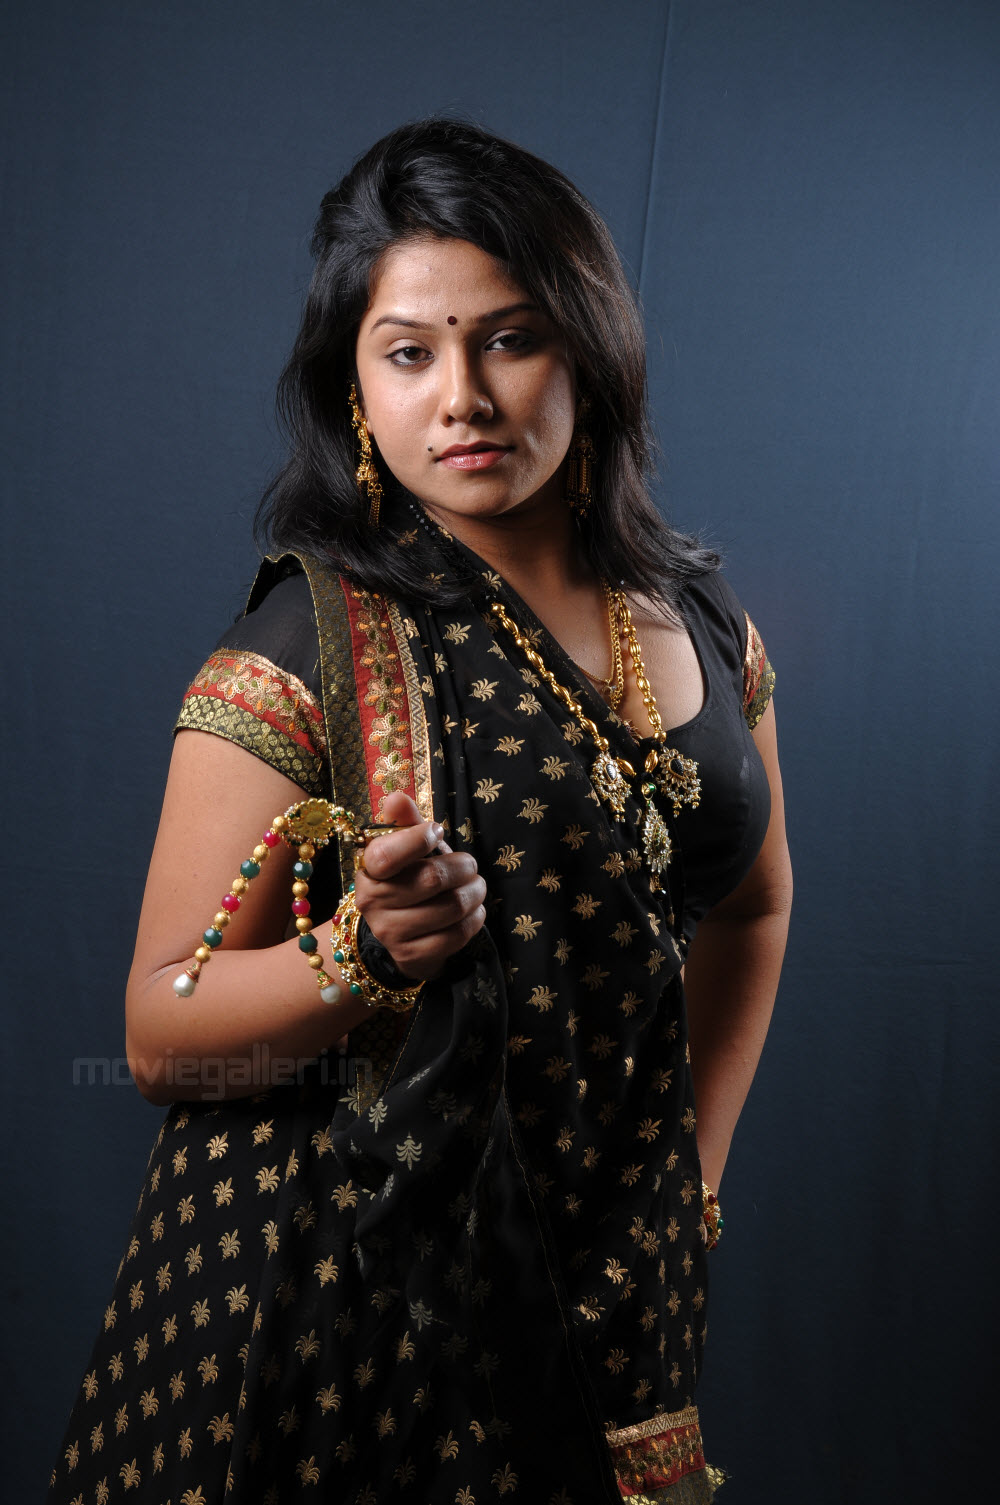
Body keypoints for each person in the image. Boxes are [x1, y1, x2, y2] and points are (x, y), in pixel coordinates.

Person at [47, 118, 791, 1504]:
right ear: (356, 387)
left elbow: (751, 902)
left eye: (511, 340)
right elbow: (159, 1037)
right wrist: (364, 955)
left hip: (617, 1304)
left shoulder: (700, 619)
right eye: (409, 353)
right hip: (355, 1319)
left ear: (590, 350)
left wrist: (693, 1174)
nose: (465, 397)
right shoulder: (302, 648)